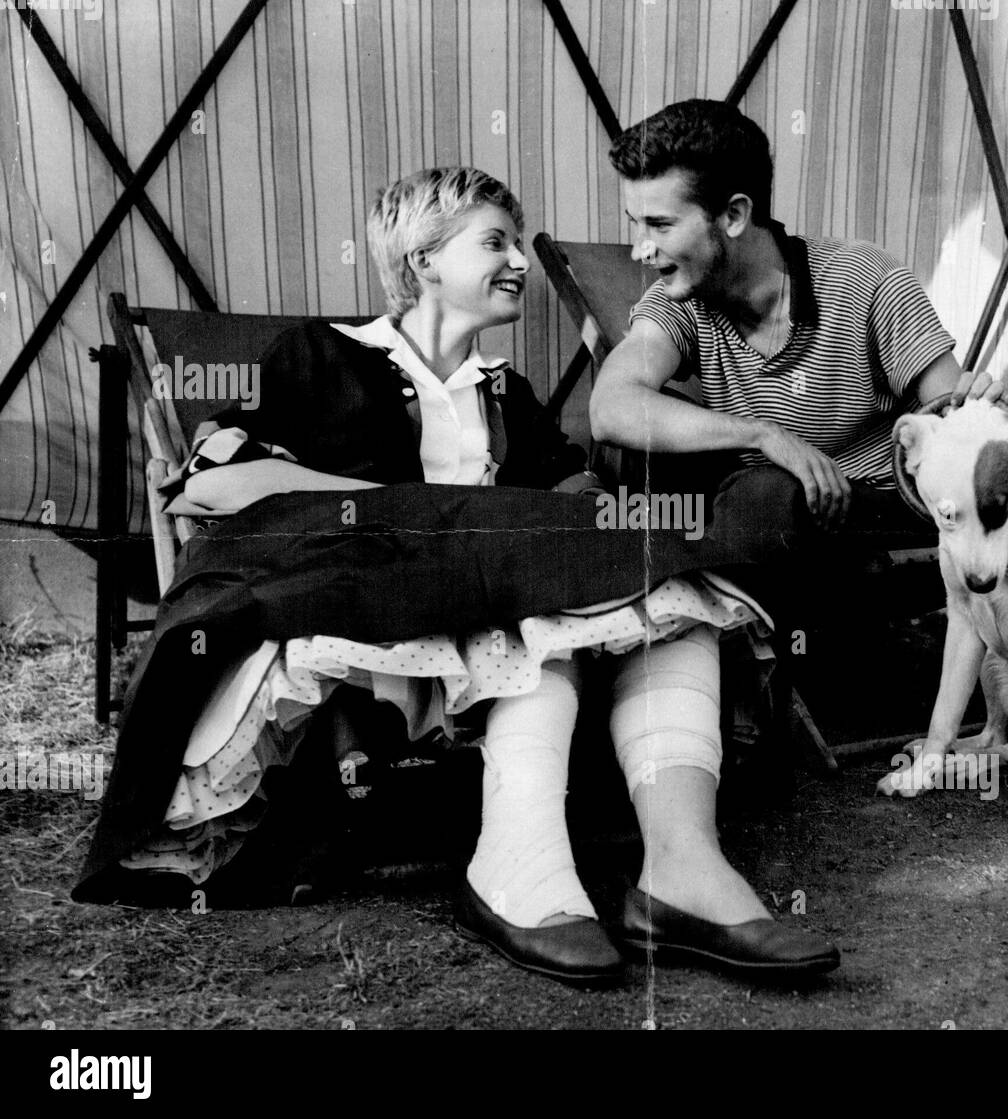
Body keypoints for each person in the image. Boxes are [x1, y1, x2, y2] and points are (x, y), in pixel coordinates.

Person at [74, 167, 839, 985]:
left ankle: (682, 868)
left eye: (517, 240)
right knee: (540, 601)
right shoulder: (322, 354)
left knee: (654, 589)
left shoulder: (507, 392)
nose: (516, 260)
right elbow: (220, 484)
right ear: (425, 260)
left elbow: (567, 504)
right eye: (494, 241)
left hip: (496, 600)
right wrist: (432, 513)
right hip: (373, 596)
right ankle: (521, 863)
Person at [589, 99, 1008, 630]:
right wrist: (761, 434)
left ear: (735, 215)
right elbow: (610, 408)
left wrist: (976, 411)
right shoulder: (678, 301)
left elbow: (951, 417)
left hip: (889, 516)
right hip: (774, 522)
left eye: (661, 225)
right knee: (742, 495)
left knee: (758, 503)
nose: (640, 250)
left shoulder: (863, 277)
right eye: (636, 224)